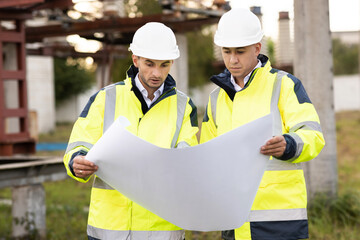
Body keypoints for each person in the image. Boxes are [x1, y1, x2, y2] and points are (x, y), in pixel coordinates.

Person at [63, 22, 198, 240]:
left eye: (164, 65)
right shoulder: (104, 99)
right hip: (109, 229)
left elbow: (187, 154)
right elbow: (79, 143)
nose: (157, 73)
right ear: (135, 59)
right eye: (149, 64)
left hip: (161, 230)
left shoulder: (184, 107)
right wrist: (77, 161)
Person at [200, 8, 325, 240]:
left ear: (257, 48)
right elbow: (208, 156)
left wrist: (288, 145)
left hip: (279, 222)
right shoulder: (216, 99)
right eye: (226, 51)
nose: (232, 59)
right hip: (233, 220)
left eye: (240, 51)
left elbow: (313, 135)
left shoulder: (284, 85)